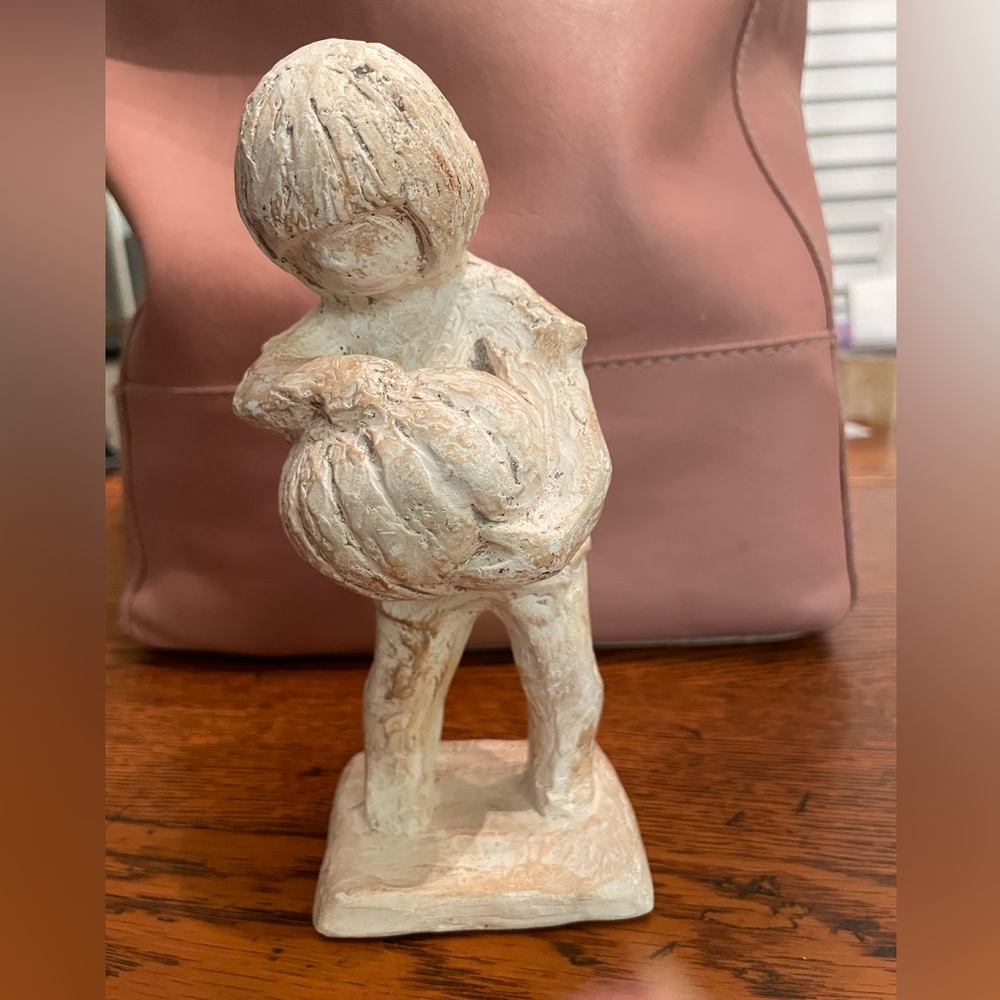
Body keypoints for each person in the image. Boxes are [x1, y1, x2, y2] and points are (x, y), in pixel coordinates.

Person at [234, 38, 612, 835]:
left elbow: (570, 420)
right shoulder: (335, 326)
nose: (344, 257)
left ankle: (565, 787)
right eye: (315, 246)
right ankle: (397, 809)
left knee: (563, 672)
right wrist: (330, 383)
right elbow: (258, 393)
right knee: (405, 681)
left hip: (530, 545)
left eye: (367, 231)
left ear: (434, 196)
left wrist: (556, 524)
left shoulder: (493, 301)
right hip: (408, 549)